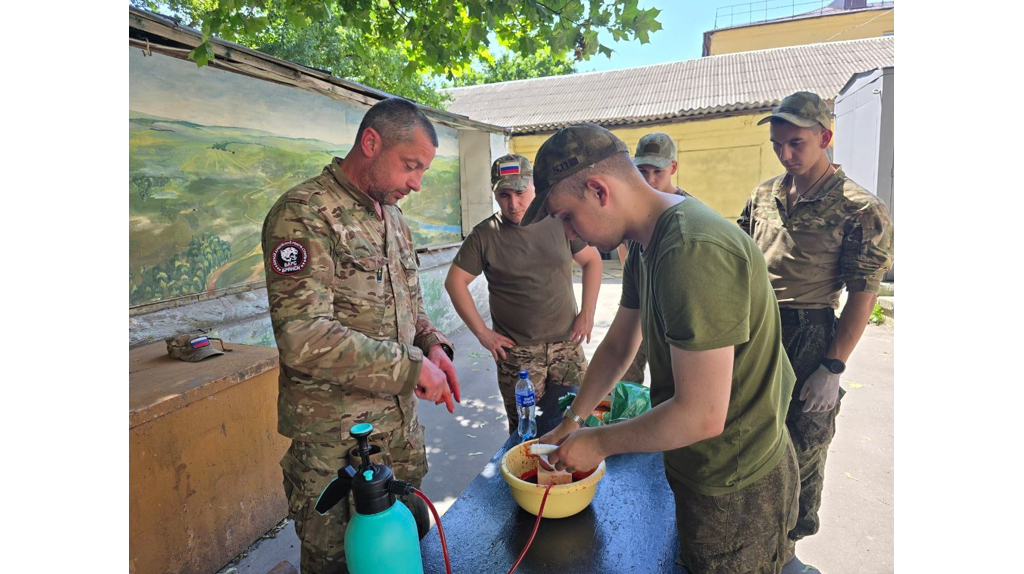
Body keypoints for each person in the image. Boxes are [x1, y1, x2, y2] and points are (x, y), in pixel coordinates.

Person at [523, 123, 799, 573]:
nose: (572, 235)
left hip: (735, 479)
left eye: (568, 216)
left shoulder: (692, 249)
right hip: (702, 461)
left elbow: (702, 413)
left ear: (598, 190)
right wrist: (571, 423)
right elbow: (619, 344)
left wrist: (599, 443)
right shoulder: (644, 239)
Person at [261, 97, 462, 574]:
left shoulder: (392, 218)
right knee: (336, 562)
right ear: (370, 143)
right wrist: (413, 367)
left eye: (422, 171)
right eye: (410, 166)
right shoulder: (305, 214)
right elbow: (303, 336)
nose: (416, 182)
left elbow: (411, 309)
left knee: (404, 551)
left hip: (398, 438)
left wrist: (433, 345)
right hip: (335, 447)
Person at [737, 91, 894, 566]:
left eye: (796, 143)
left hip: (810, 330)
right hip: (756, 327)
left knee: (802, 444)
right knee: (748, 437)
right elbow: (742, 260)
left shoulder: (860, 208)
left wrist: (833, 365)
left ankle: (787, 550)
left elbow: (862, 295)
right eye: (777, 143)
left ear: (825, 138)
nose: (786, 154)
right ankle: (750, 537)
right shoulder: (764, 194)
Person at [445, 154, 603, 434]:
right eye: (503, 194)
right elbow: (455, 282)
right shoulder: (485, 235)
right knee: (525, 431)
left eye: (519, 192)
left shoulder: (559, 220)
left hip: (567, 344)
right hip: (518, 357)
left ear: (534, 187)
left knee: (580, 422)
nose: (513, 204)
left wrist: (587, 313)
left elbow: (592, 261)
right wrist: (483, 334)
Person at [616, 132, 694, 384]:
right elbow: (624, 246)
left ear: (673, 167)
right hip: (640, 304)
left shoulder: (689, 210)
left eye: (657, 171)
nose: (649, 180)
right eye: (642, 171)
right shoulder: (632, 206)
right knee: (626, 376)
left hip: (675, 309)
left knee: (673, 380)